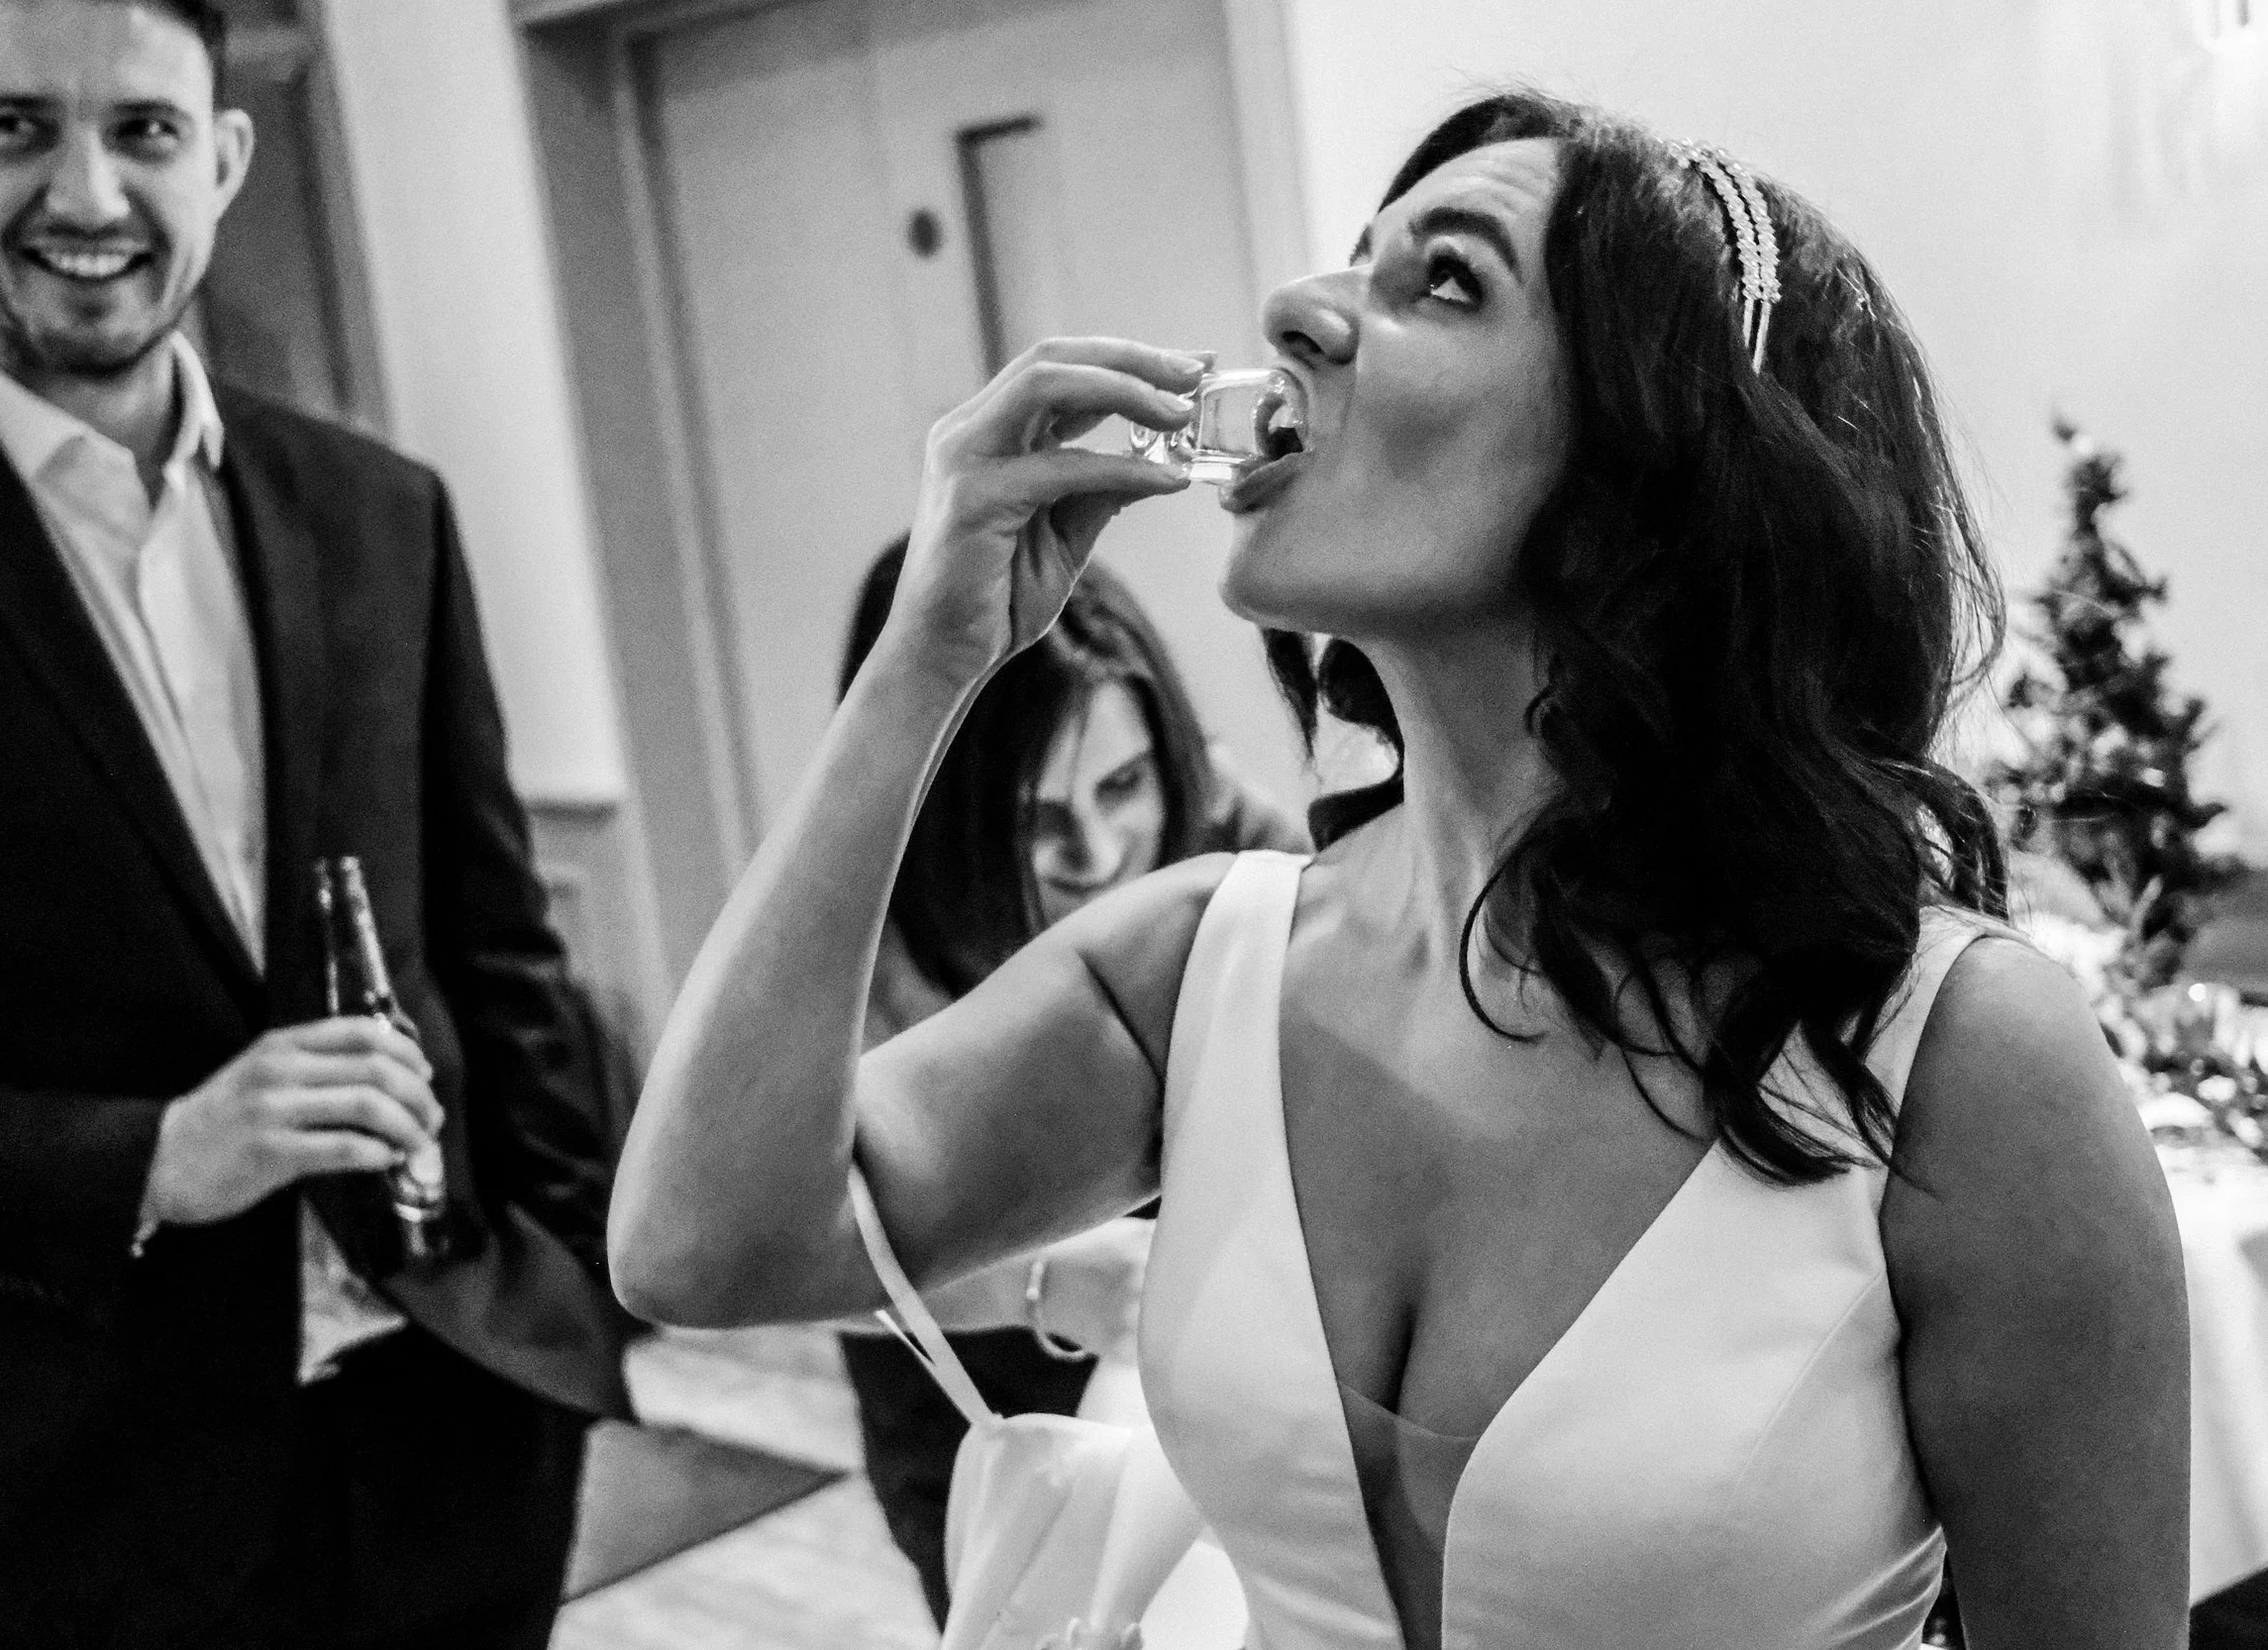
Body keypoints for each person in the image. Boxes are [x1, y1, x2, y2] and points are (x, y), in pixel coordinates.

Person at [610, 88, 2192, 1649]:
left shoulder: (1961, 1063)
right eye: (1354, 258)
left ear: (1654, 469)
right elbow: (705, 1244)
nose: (1300, 307)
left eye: (1445, 278)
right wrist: (924, 665)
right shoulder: (1193, 969)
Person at [0, 1, 639, 1644]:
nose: (91, 194)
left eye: (147, 131)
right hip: (81, 1509)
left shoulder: (382, 510)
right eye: (16, 127)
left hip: (451, 1438)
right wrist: (153, 1158)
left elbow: (498, 945)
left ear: (227, 156)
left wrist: (578, 1284)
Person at [831, 539, 1302, 1623]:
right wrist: (1040, 1280)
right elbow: (765, 1247)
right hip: (982, 1401)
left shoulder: (1231, 830)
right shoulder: (865, 931)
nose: (1097, 850)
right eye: (1037, 817)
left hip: (1209, 1393)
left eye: (1125, 783)